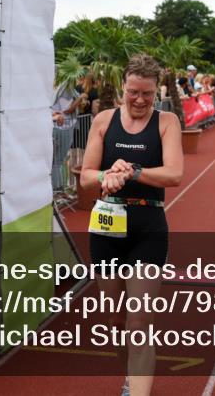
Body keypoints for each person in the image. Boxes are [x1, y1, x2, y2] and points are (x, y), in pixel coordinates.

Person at [76, 54, 182, 396]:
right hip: (106, 229)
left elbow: (174, 174)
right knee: (115, 322)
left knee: (139, 322)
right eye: (133, 92)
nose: (139, 100)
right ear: (123, 87)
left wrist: (133, 171)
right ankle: (130, 378)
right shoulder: (104, 121)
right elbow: (85, 178)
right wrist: (109, 174)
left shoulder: (167, 122)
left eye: (147, 94)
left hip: (147, 228)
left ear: (157, 92)